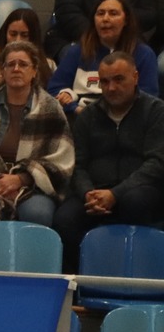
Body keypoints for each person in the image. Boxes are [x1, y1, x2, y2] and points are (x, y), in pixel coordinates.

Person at [54, 51, 164, 267]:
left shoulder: (156, 111)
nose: (111, 87)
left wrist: (115, 194)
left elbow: (157, 163)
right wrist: (88, 194)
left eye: (119, 79)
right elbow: (77, 164)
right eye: (105, 81)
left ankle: (134, 278)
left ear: (136, 77)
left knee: (134, 202)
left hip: (140, 189)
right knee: (64, 219)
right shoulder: (88, 116)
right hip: (95, 191)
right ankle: (79, 288)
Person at [0, 41, 74, 228]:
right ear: (2, 71)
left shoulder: (51, 108)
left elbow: (62, 161)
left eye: (23, 64)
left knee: (37, 215)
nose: (16, 69)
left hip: (34, 185)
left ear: (34, 71)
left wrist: (21, 179)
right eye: (10, 64)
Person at [50, 0, 160, 112]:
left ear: (126, 20)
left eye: (113, 13)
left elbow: (149, 99)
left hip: (125, 121)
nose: (105, 19)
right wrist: (70, 101)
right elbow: (54, 89)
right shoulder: (76, 52)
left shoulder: (143, 54)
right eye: (100, 13)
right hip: (80, 117)